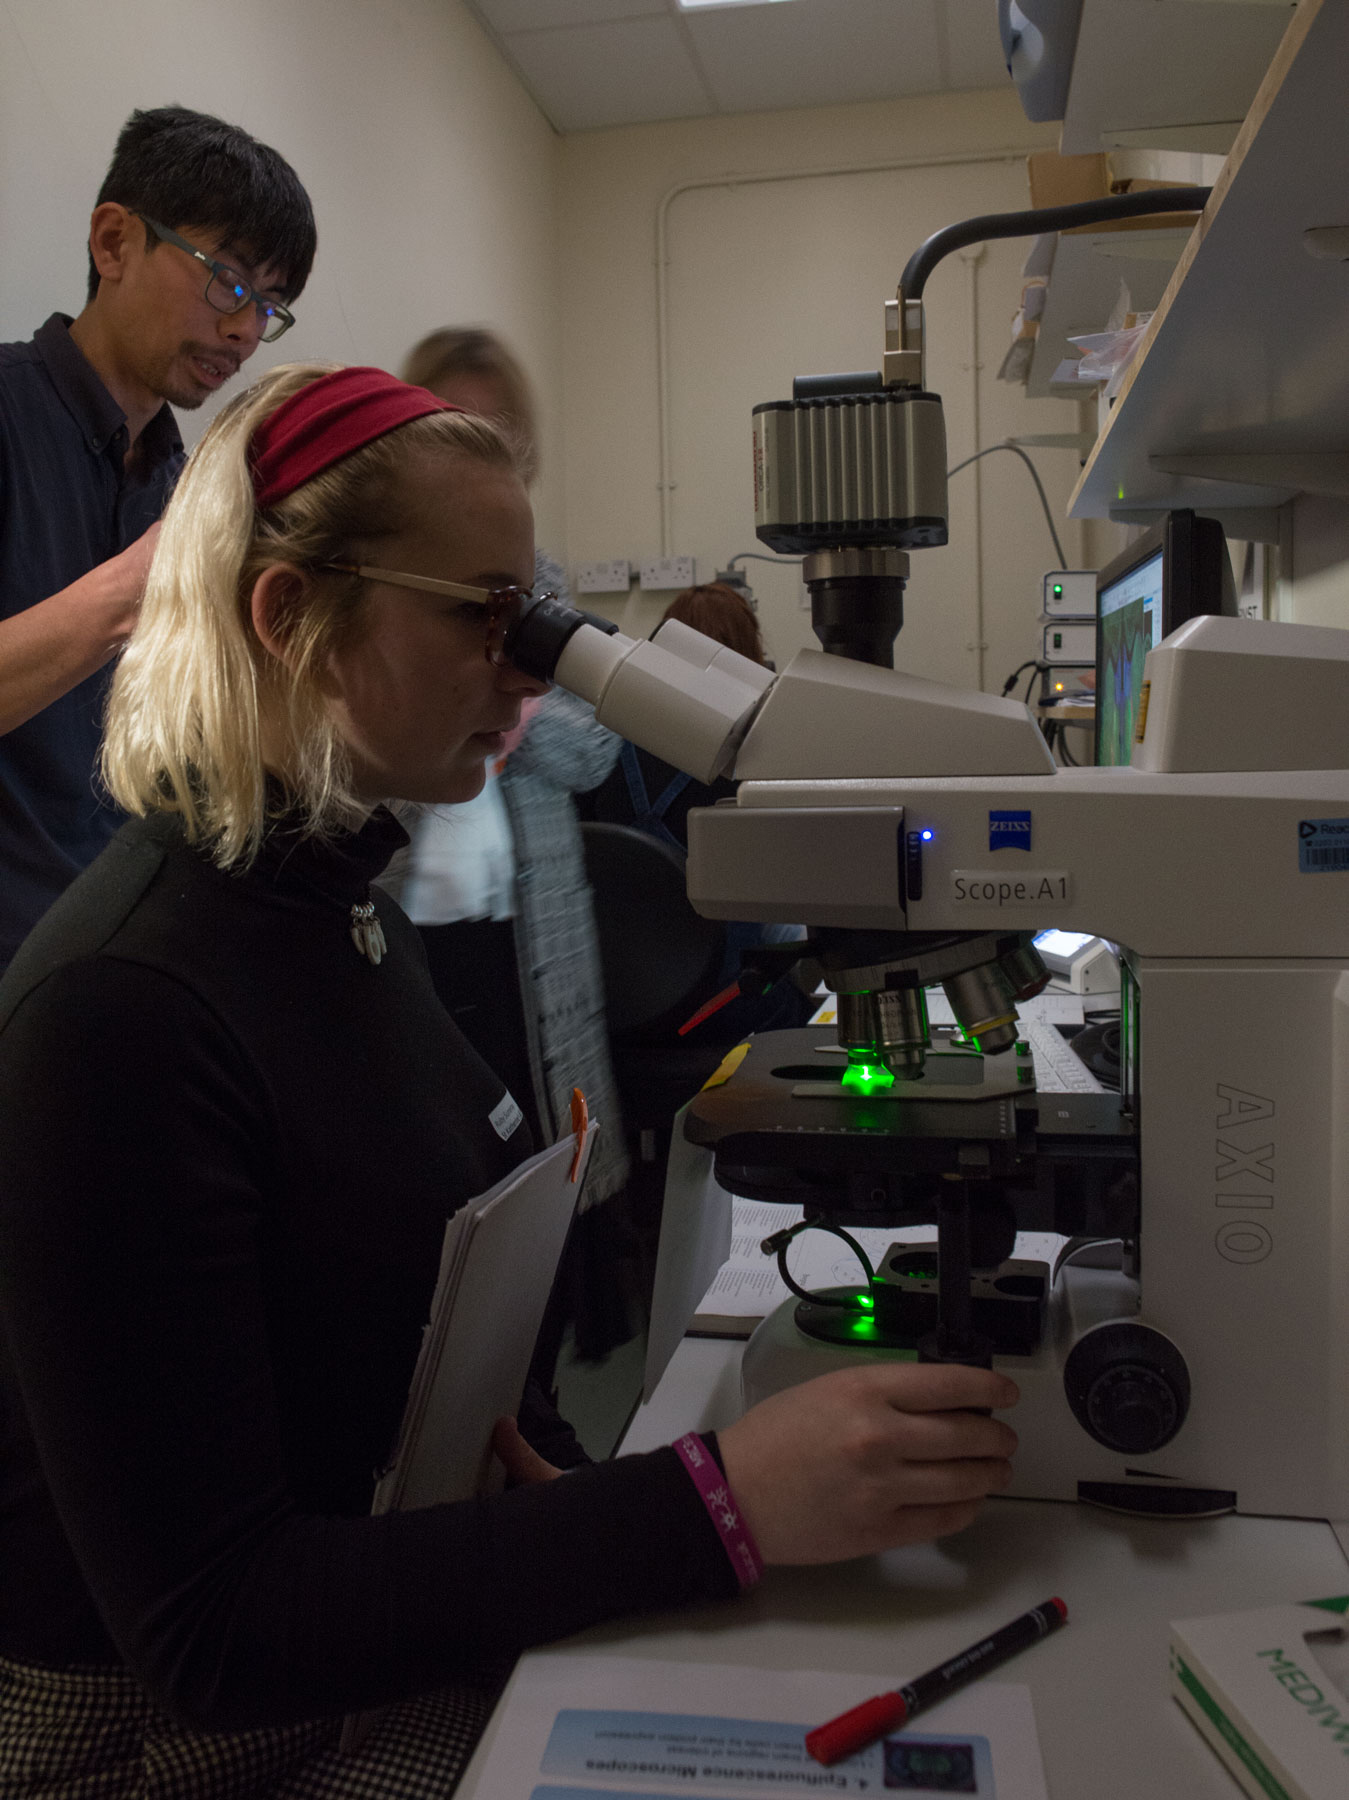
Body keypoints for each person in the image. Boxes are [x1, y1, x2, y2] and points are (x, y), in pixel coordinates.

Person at [0, 363, 1018, 1797]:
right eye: (487, 614)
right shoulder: (122, 1008)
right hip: (160, 1749)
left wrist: (593, 1505)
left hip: (355, 1637)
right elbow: (215, 1632)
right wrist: (712, 1507)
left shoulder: (338, 905)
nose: (535, 666)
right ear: (291, 618)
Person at [0, 103, 316, 971]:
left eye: (273, 305)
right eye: (231, 280)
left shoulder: (189, 485)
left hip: (125, 961)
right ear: (113, 243)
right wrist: (133, 590)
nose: (247, 330)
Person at [395, 327, 628, 1217]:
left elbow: (592, 748)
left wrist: (489, 694)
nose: (474, 441)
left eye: (493, 426)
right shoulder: (385, 590)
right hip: (406, 917)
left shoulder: (553, 591)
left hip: (528, 926)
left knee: (544, 1149)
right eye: (451, 420)